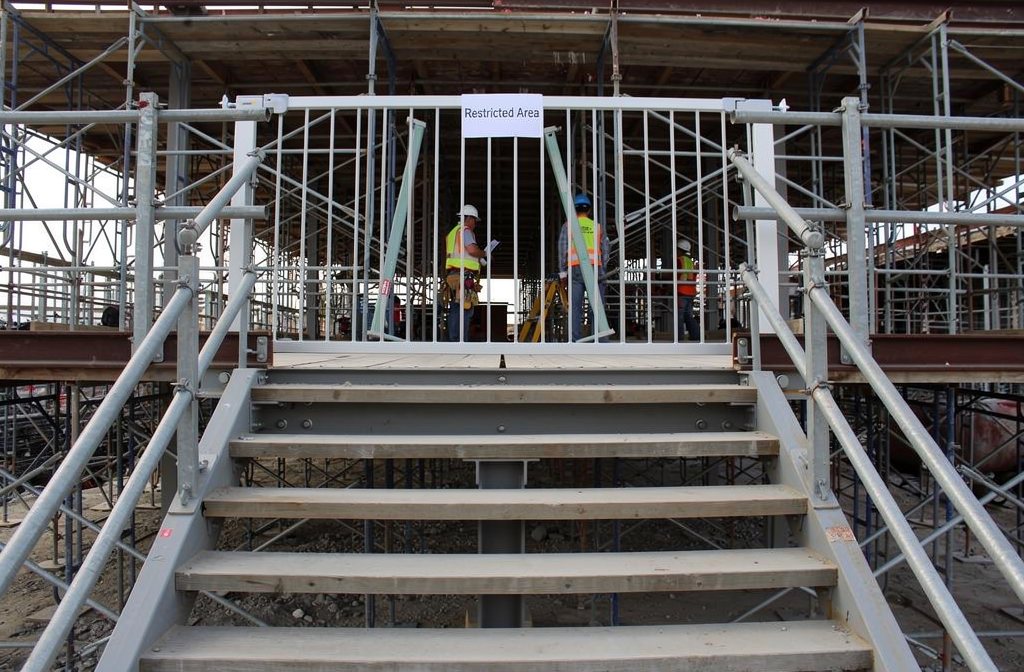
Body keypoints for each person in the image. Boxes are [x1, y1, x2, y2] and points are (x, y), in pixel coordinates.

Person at [559, 193, 611, 342]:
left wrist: (563, 273)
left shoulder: (568, 226)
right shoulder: (597, 227)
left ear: (574, 210)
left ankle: (574, 341)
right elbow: (606, 249)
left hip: (575, 269)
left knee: (575, 308)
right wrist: (602, 265)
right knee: (597, 308)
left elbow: (562, 249)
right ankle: (599, 341)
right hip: (596, 269)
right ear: (589, 210)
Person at [444, 204, 488, 342]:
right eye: (474, 220)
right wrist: (485, 253)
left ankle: (455, 340)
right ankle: (461, 342)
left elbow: (463, 253)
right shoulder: (465, 231)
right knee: (465, 309)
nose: (475, 223)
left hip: (454, 275)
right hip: (462, 275)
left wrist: (479, 260)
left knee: (457, 308)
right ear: (469, 218)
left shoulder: (454, 232)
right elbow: (472, 250)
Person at [676, 239, 700, 341]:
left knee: (680, 316)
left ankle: (679, 338)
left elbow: (676, 275)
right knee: (688, 316)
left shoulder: (679, 260)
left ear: (679, 249)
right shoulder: (691, 262)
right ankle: (696, 335)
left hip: (682, 291)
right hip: (691, 292)